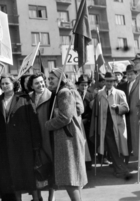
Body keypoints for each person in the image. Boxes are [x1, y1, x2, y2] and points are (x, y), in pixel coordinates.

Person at [0, 74, 42, 201]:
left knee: (29, 176)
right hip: (6, 147)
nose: (3, 86)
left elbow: (33, 122)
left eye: (7, 83)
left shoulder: (24, 99)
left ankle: (36, 199)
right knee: (13, 177)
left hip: (24, 145)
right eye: (2, 84)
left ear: (14, 84)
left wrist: (36, 145)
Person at [45, 68, 87, 201]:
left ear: (60, 80)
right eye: (48, 79)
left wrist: (48, 124)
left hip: (67, 139)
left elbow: (65, 117)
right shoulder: (63, 92)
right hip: (68, 138)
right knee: (73, 176)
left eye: (52, 78)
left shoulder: (63, 93)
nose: (49, 81)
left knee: (70, 177)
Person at [90, 72, 130, 178]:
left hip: (117, 125)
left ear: (114, 82)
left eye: (111, 81)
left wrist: (118, 107)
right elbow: (94, 109)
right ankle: (119, 168)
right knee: (111, 147)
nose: (109, 83)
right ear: (104, 82)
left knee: (119, 147)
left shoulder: (120, 93)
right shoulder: (99, 93)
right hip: (104, 126)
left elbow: (126, 108)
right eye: (107, 81)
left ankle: (121, 168)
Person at [28, 73, 55, 201]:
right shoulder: (28, 98)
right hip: (34, 136)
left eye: (42, 82)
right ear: (32, 86)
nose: (41, 85)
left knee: (50, 164)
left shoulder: (52, 96)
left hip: (48, 134)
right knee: (36, 165)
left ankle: (51, 196)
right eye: (37, 83)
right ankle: (37, 196)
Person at [76, 75, 94, 170]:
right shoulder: (74, 94)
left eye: (86, 85)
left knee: (89, 142)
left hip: (87, 123)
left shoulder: (91, 95)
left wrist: (86, 119)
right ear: (78, 85)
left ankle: (89, 163)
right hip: (77, 122)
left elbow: (93, 110)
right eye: (82, 85)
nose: (84, 87)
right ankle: (80, 163)